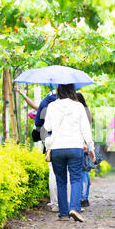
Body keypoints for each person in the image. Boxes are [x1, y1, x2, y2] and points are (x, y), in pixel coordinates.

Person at [44, 84, 95, 222]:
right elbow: (86, 129)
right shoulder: (78, 106)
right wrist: (91, 148)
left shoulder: (52, 106)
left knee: (61, 181)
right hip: (75, 146)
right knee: (76, 178)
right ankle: (74, 208)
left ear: (58, 91)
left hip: (57, 147)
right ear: (72, 90)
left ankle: (64, 214)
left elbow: (47, 126)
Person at [15, 84, 70, 213]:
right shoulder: (71, 100)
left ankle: (56, 203)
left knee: (53, 171)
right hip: (68, 139)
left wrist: (22, 94)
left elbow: (37, 112)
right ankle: (68, 203)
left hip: (51, 139)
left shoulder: (49, 99)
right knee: (67, 171)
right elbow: (35, 106)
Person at [76, 92, 93, 208]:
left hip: (82, 141)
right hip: (86, 140)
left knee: (82, 170)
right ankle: (85, 197)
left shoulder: (80, 111)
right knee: (85, 170)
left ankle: (83, 197)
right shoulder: (87, 111)